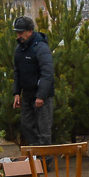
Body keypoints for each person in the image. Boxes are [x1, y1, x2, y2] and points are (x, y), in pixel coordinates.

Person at [12, 16, 54, 145]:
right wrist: (17, 93)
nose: (18, 35)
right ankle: (38, 155)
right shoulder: (19, 50)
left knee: (44, 130)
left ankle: (46, 162)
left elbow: (47, 73)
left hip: (43, 97)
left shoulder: (41, 47)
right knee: (26, 126)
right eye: (17, 32)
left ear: (30, 31)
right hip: (27, 96)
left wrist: (41, 95)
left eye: (21, 32)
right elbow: (17, 72)